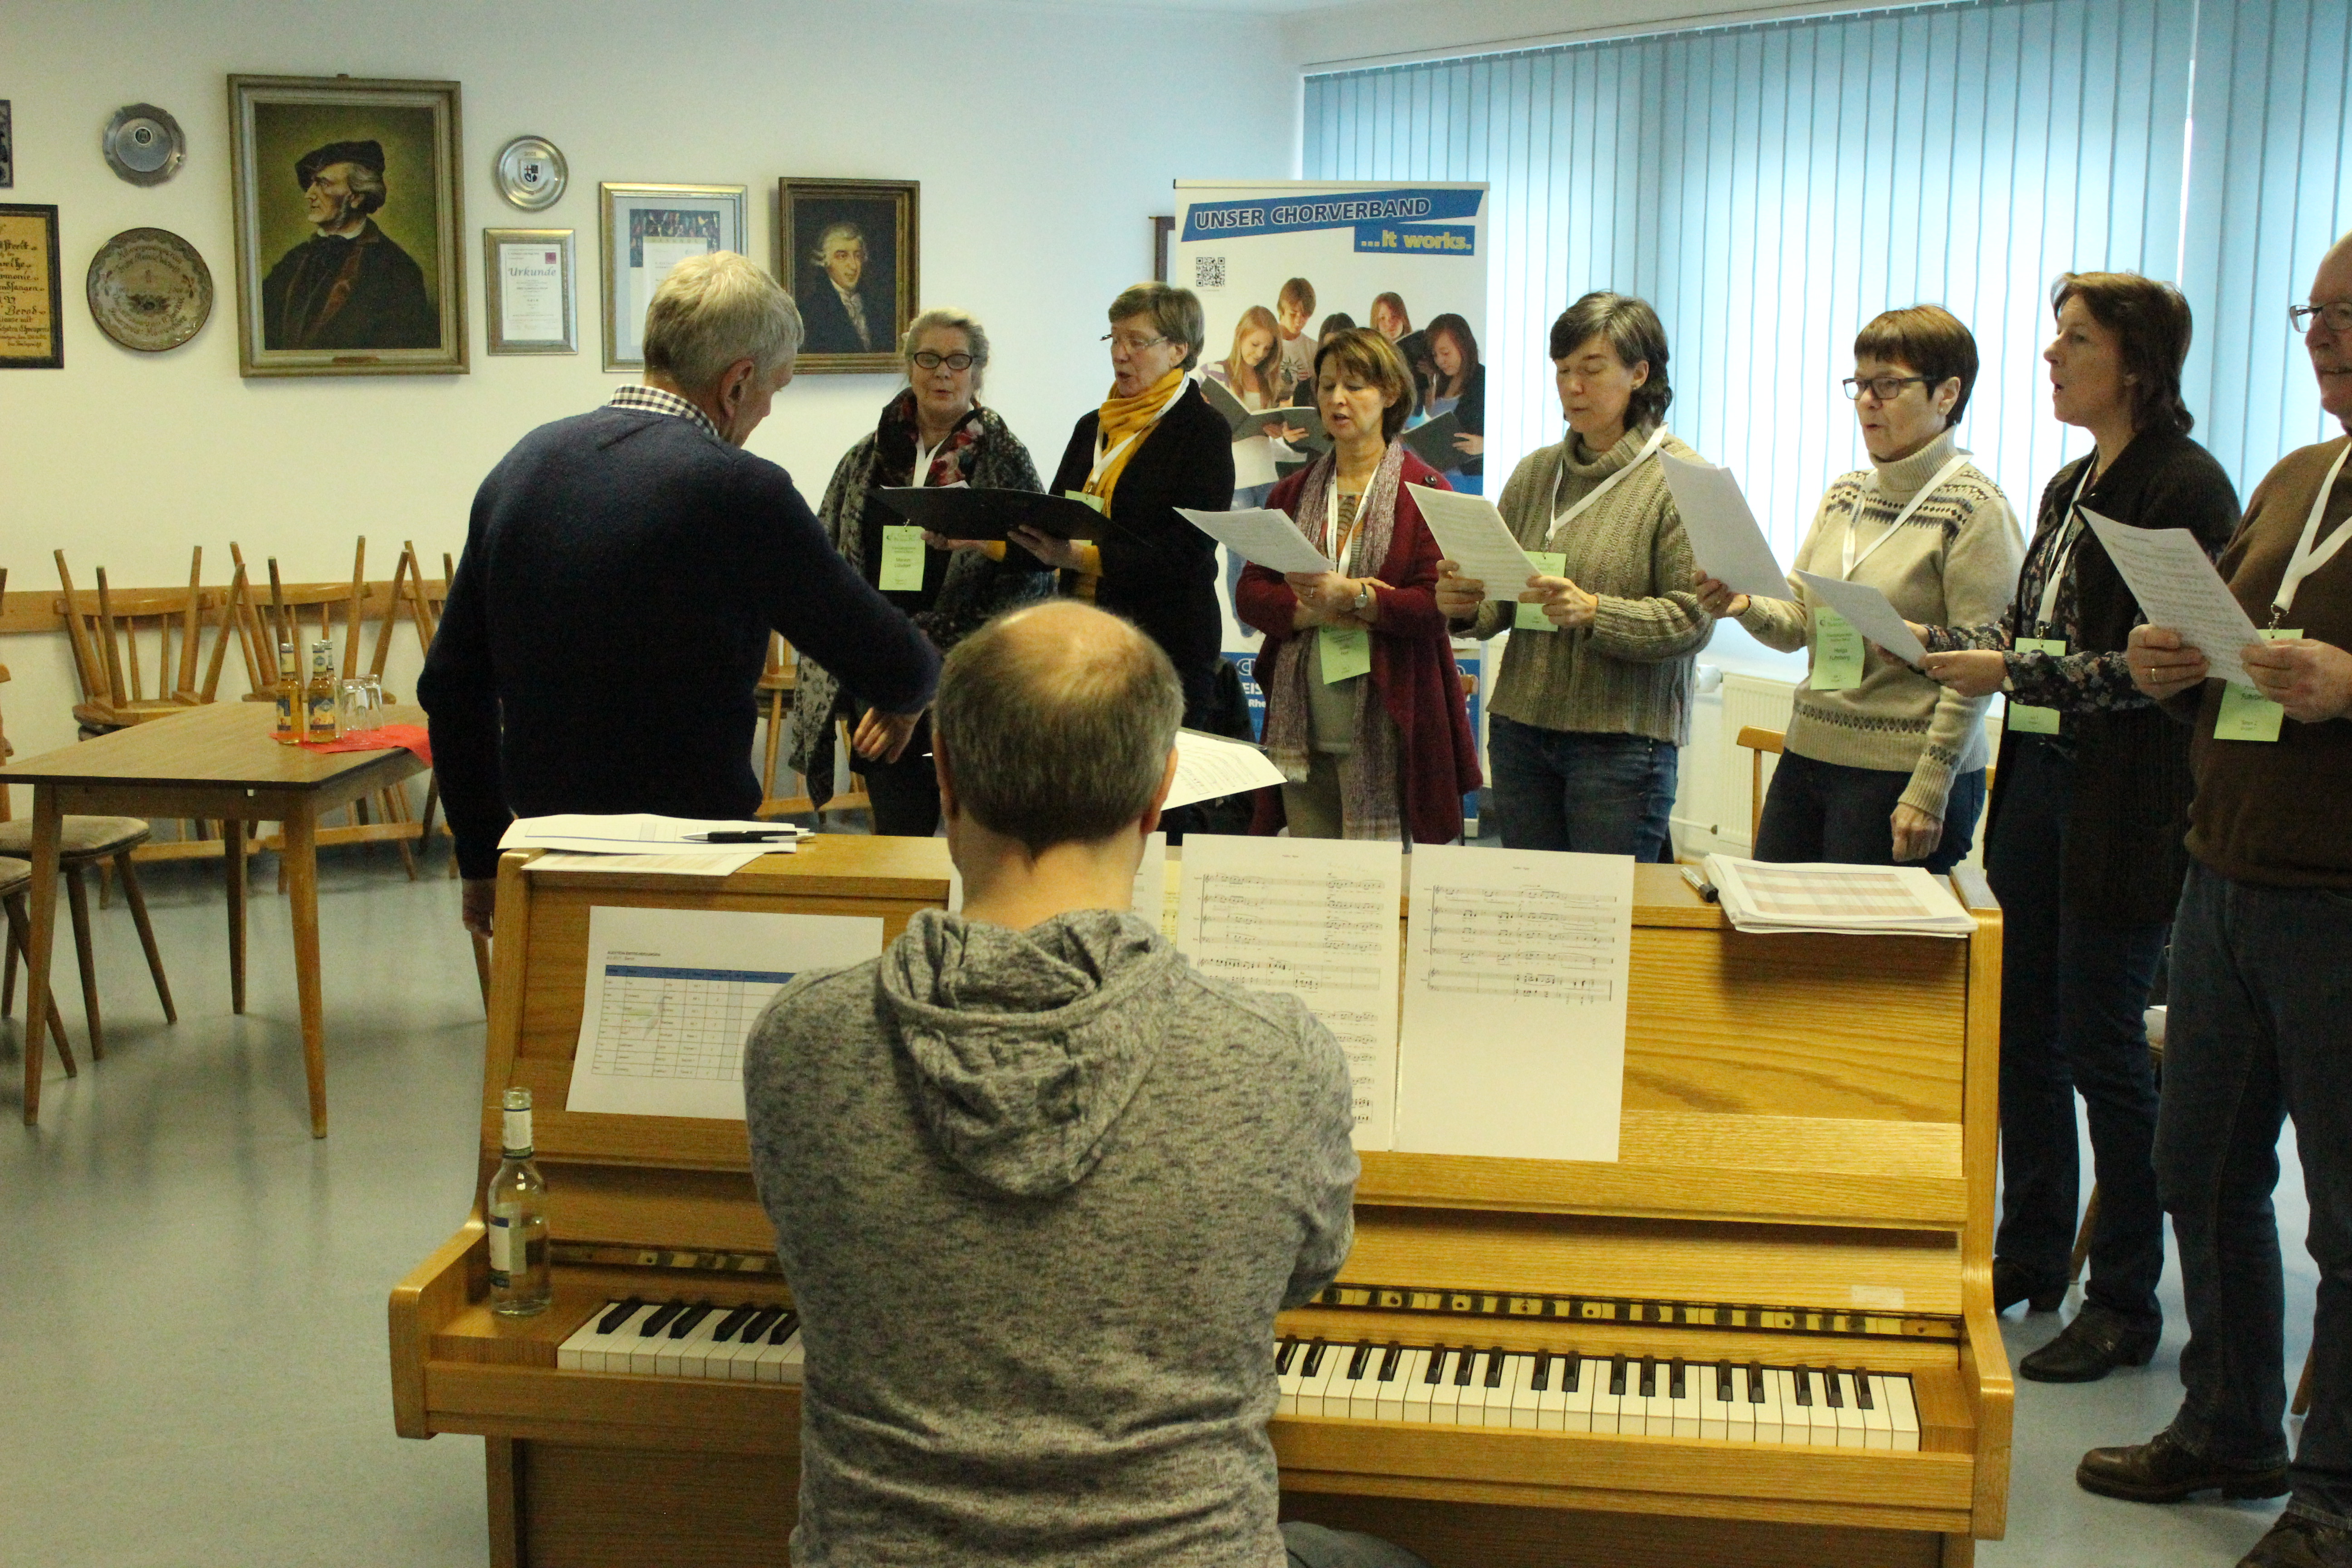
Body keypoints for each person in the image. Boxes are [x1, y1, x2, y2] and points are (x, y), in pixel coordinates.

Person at [742, 599, 1424, 1568]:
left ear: (943, 776)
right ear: (1160, 795)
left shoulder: (800, 1042)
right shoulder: (1278, 1054)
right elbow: (1305, 1272)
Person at [1912, 275, 2239, 1379]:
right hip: (2038, 785)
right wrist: (1953, 644)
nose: (2050, 356)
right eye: (2053, 337)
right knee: (2023, 1034)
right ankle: (2029, 1251)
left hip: (2127, 805)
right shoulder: (2063, 483)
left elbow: (2164, 669)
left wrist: (2010, 665)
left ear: (2137, 362)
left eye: (2075, 340)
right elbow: (2026, 626)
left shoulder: (2184, 486)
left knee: (2103, 1043)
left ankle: (2123, 1297)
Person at [2082, 230, 2352, 1568]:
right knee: (2199, 1163)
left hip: (2341, 899)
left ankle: (2334, 1496)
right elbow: (2231, 640)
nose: (2326, 332)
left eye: (2351, 314)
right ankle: (2228, 1420)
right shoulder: (2305, 474)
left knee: (2347, 1212)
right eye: (2318, 309)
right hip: (2225, 872)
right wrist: (2169, 656)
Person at [420, 252, 937, 934]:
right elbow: (893, 659)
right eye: (773, 392)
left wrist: (482, 852)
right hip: (687, 874)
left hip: (544, 861)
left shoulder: (523, 467)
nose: (766, 413)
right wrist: (906, 700)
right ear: (737, 383)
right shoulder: (740, 492)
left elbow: (453, 686)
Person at [1694, 306, 2021, 873]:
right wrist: (1743, 605)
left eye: (1889, 384)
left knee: (1860, 957)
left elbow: (1978, 667)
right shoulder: (1847, 493)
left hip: (1900, 772)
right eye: (1861, 384)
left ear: (1947, 394)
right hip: (1811, 751)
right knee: (1774, 937)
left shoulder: (1977, 509)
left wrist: (1928, 787)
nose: (1868, 400)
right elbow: (1801, 623)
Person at [1436, 291, 1713, 859]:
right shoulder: (1536, 473)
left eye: (1591, 370)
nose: (1572, 388)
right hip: (1521, 732)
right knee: (1534, 916)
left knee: (1605, 925)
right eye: (1562, 371)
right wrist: (1463, 604)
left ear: (1640, 373)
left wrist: (1595, 612)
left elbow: (1694, 619)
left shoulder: (1684, 480)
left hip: (1621, 747)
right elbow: (1501, 605)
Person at [788, 306, 1053, 836]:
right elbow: (829, 556)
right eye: (928, 358)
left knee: (976, 838)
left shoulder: (1005, 459)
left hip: (972, 680)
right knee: (898, 835)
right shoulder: (867, 457)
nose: (943, 372)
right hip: (883, 663)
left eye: (958, 360)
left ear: (977, 373)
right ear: (909, 367)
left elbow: (1031, 577)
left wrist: (932, 660)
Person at [1235, 328, 1480, 842]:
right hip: (1301, 728)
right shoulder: (1291, 492)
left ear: (1390, 394)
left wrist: (1360, 599)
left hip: (1390, 722)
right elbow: (1251, 591)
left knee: (1378, 892)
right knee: (1310, 882)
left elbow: (1433, 609)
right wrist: (1310, 610)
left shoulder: (1427, 490)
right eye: (1326, 387)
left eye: (1355, 386)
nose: (1336, 399)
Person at [1018, 282, 1232, 735]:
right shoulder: (1091, 428)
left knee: (1155, 799)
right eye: (1114, 339)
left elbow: (1186, 555)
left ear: (1179, 350)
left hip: (1161, 648)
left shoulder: (1203, 432)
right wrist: (975, 535)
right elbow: (1052, 524)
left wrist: (1082, 557)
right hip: (1079, 643)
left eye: (1137, 341)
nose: (1120, 353)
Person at [261, 139, 437, 350]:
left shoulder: (397, 270)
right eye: (312, 184)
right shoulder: (292, 262)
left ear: (356, 197)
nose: (309, 195)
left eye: (324, 184)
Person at [1205, 304, 1308, 509]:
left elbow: (1276, 432)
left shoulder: (1268, 378)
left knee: (1270, 540)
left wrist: (1280, 432)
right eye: (1255, 344)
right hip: (1234, 479)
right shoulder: (1213, 373)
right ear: (1239, 335)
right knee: (1241, 541)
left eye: (1268, 348)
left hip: (1267, 474)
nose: (1261, 353)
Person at [799, 220, 890, 354]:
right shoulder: (811, 311)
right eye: (842, 256)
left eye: (858, 256)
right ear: (826, 261)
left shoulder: (876, 307)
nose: (853, 266)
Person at [1421, 312, 1485, 490]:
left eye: (1445, 353)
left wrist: (1486, 445)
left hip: (1471, 481)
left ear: (1464, 347)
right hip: (1439, 480)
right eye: (1435, 355)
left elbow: (1511, 432)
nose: (1440, 361)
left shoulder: (1484, 381)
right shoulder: (1442, 382)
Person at [1372, 291, 1430, 417]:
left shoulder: (1416, 348)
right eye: (1382, 318)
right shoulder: (1371, 356)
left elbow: (1427, 408)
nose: (1389, 323)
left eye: (1394, 316)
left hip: (1415, 417)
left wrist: (1431, 378)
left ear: (1403, 318)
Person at [1275, 275, 1319, 389]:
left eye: (1304, 316)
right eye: (1293, 314)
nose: (1298, 321)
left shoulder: (1313, 349)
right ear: (1282, 309)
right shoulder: (1266, 343)